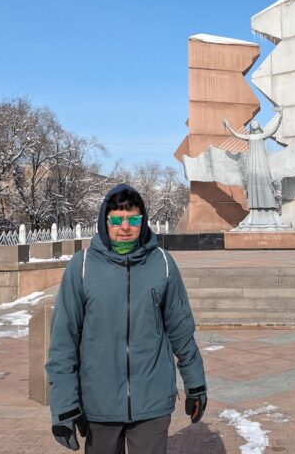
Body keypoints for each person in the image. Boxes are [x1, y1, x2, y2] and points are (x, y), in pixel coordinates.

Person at [46, 183, 207, 454]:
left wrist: (195, 384)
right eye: (117, 220)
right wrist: (64, 407)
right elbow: (64, 340)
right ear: (104, 221)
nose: (125, 227)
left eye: (133, 219)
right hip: (99, 404)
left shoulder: (162, 263)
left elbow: (181, 330)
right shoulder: (82, 266)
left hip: (152, 402)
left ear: (142, 221)